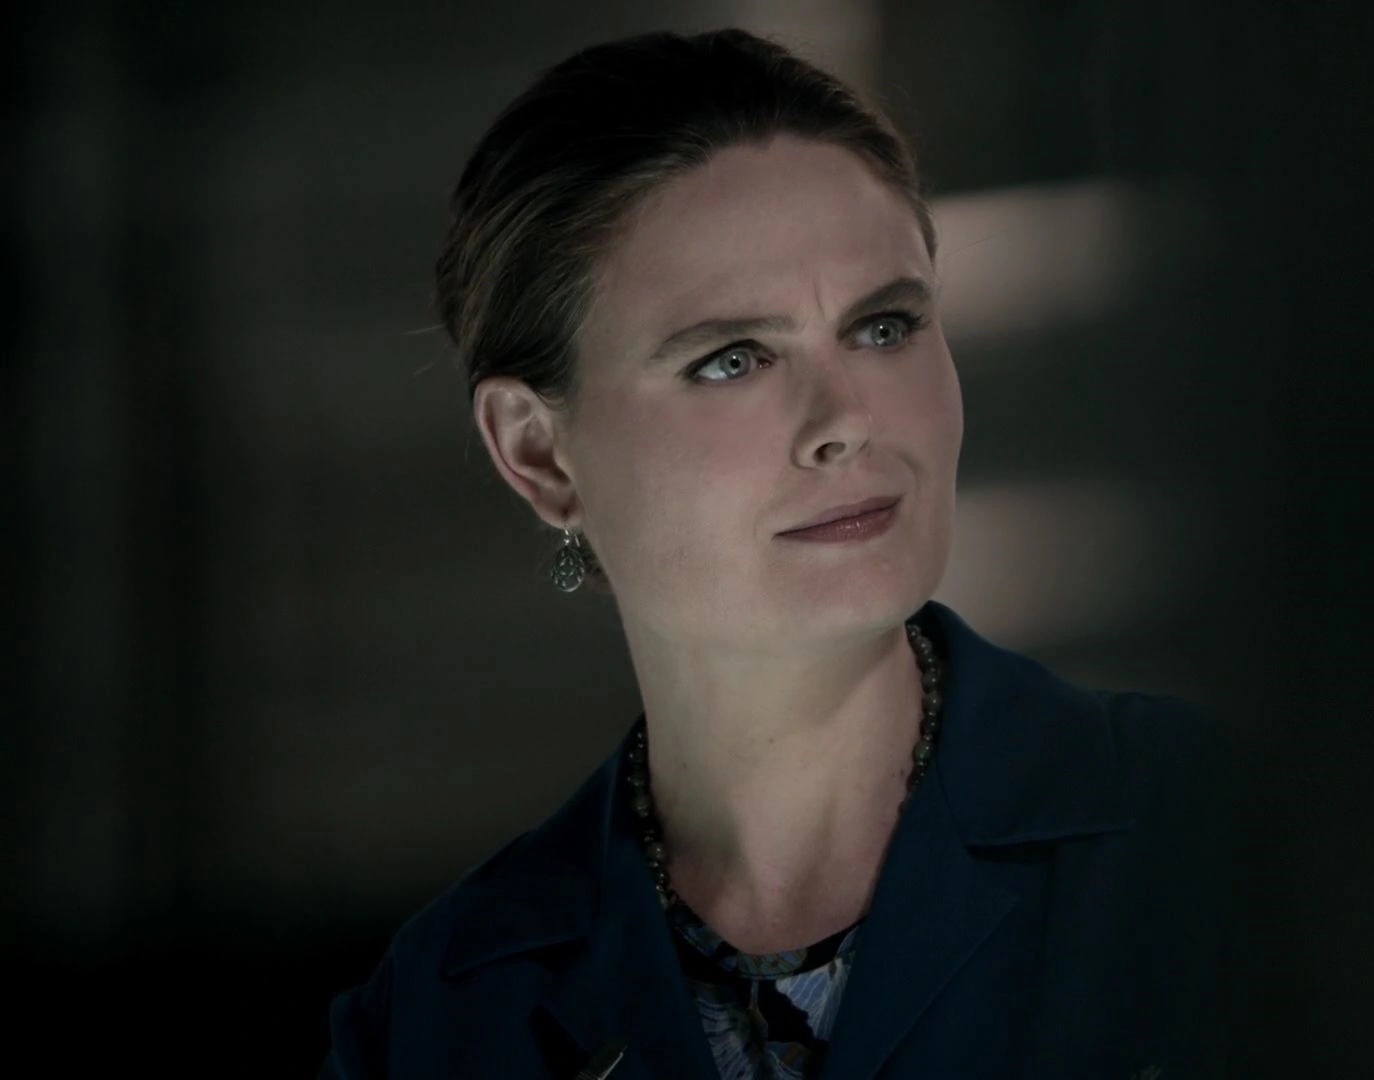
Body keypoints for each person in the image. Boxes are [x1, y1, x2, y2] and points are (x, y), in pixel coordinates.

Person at [322, 27, 1233, 1080]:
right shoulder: (441, 1019)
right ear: (539, 453)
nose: (844, 420)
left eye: (884, 327)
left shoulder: (1217, 845)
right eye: (733, 359)